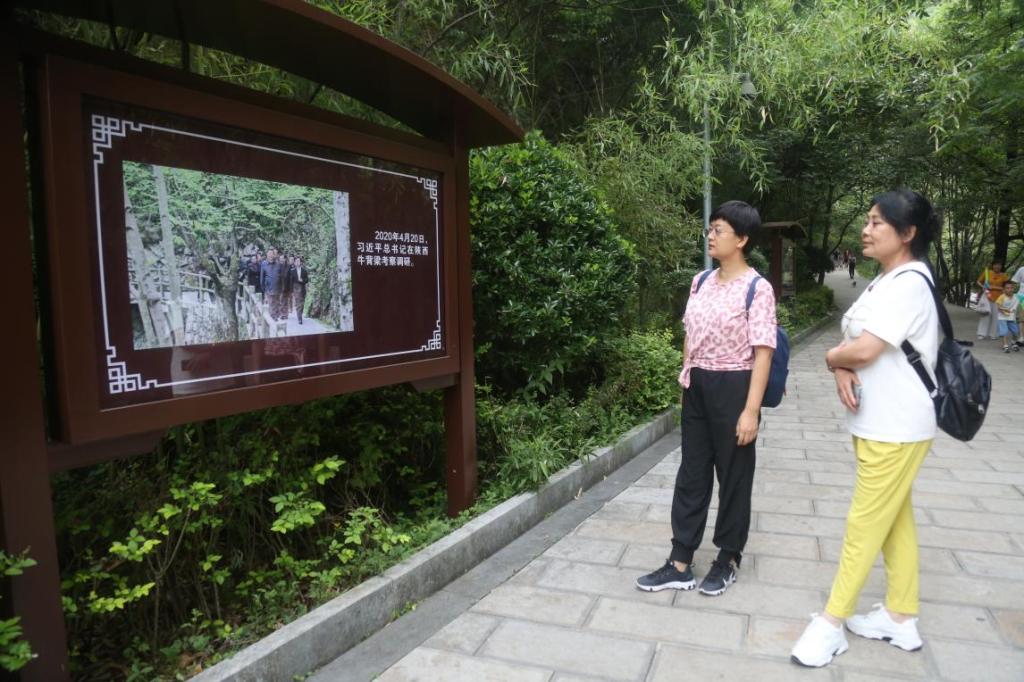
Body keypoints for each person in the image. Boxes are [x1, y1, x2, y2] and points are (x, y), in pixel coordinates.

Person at [790, 189, 940, 668]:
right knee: (895, 519)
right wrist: (841, 363)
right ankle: (900, 617)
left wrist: (833, 358)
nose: (866, 229)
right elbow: (852, 338)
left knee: (864, 523)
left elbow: (864, 349)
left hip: (897, 424)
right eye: (867, 220)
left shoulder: (909, 283)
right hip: (881, 421)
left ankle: (831, 623)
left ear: (908, 233)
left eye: (877, 222)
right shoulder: (885, 280)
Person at [635, 201, 777, 597]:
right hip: (697, 386)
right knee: (692, 474)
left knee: (733, 477)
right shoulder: (700, 282)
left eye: (719, 230)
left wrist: (751, 411)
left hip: (735, 387)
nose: (711, 236)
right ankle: (680, 561)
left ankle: (727, 557)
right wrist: (686, 381)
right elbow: (689, 335)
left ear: (742, 239)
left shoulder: (757, 288)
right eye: (710, 229)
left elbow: (763, 352)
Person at [975, 260, 1008, 340]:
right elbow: (978, 281)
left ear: (1001, 266)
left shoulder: (1004, 276)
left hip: (999, 298)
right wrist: (983, 286)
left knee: (996, 317)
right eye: (996, 264)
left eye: (999, 265)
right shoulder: (987, 273)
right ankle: (982, 334)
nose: (997, 266)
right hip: (987, 296)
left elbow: (1007, 287)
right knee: (985, 315)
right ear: (992, 265)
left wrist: (995, 287)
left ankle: (993, 334)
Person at [260, 248, 288, 320]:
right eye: (269, 253)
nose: (270, 255)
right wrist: (263, 288)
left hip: (278, 287)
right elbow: (262, 277)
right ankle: (273, 318)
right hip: (268, 287)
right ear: (267, 254)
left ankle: (275, 317)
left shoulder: (279, 264)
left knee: (277, 303)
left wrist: (283, 287)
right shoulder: (264, 264)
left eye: (272, 253)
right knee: (271, 302)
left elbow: (282, 277)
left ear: (274, 255)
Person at [995, 281, 1020, 353]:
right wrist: (1004, 311)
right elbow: (998, 306)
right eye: (1007, 288)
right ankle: (1005, 345)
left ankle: (1013, 343)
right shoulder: (1002, 297)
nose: (1010, 289)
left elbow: (1019, 303)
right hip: (1002, 317)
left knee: (1016, 332)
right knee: (1004, 332)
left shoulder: (1016, 297)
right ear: (1004, 289)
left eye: (1011, 288)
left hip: (1011, 317)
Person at [288, 256, 310, 324]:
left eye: (299, 261)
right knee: (298, 303)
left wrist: (302, 280)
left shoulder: (304, 270)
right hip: (296, 288)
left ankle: (300, 314)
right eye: (296, 261)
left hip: (302, 288)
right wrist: (291, 291)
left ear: (301, 262)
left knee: (302, 303)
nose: (297, 262)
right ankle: (299, 318)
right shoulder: (292, 271)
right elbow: (290, 282)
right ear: (294, 263)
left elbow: (307, 280)